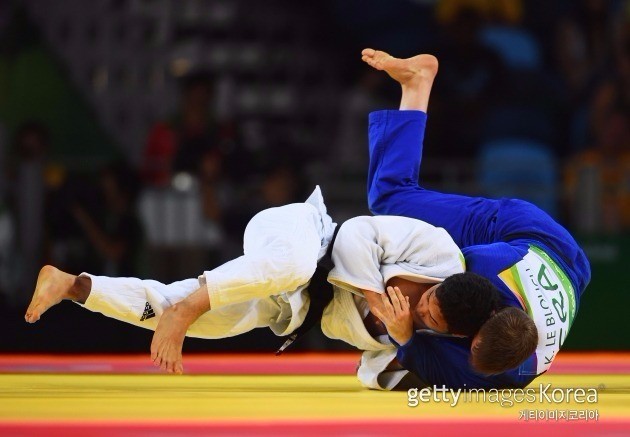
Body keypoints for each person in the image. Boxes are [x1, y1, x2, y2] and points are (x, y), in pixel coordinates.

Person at [24, 179, 500, 389]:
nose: (418, 311)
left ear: (450, 332)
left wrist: (402, 338)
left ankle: (71, 286)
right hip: (301, 237)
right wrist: (375, 296)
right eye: (427, 301)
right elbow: (357, 232)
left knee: (197, 317)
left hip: (290, 306)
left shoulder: (419, 338)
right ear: (443, 282)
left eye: (429, 320)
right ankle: (186, 309)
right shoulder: (439, 252)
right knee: (285, 269)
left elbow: (370, 374)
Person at [359, 48, 591, 389]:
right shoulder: (484, 267)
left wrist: (406, 338)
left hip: (571, 271)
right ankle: (417, 82)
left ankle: (414, 86)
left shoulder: (506, 370)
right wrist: (403, 331)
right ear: (492, 312)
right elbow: (436, 287)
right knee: (390, 197)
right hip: (522, 230)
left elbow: (443, 366)